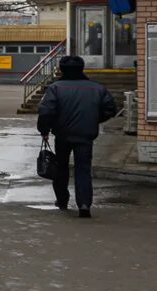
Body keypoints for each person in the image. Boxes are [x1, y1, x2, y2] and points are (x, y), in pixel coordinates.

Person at [37, 54, 119, 218]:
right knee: (83, 169)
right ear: (82, 69)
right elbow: (110, 109)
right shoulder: (97, 88)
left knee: (61, 168)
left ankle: (62, 201)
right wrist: (94, 119)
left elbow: (46, 111)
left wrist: (44, 130)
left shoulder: (56, 87)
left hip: (63, 135)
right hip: (86, 135)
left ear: (62, 69)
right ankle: (84, 204)